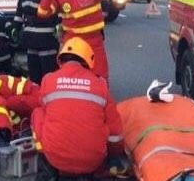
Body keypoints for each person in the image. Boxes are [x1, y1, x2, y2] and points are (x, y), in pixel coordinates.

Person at [31, 37, 124, 180]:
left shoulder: (48, 80)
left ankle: (46, 165)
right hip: (92, 160)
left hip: (55, 158)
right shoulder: (100, 84)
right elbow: (115, 130)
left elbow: (45, 108)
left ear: (60, 60)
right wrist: (113, 156)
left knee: (38, 112)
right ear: (89, 60)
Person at [37, 0, 115, 79]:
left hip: (93, 39)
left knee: (99, 75)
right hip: (71, 40)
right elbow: (42, 12)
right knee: (70, 76)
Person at [14, 0, 58, 84]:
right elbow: (21, 6)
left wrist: (59, 25)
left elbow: (57, 5)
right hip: (30, 36)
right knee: (33, 73)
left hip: (46, 35)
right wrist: (15, 25)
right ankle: (36, 101)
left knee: (48, 73)